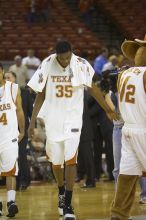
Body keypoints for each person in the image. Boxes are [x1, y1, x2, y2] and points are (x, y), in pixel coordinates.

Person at [27, 40, 117, 220]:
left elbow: (93, 89)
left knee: (70, 160)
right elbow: (40, 94)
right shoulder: (47, 63)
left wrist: (108, 109)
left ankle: (68, 203)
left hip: (73, 120)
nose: (65, 61)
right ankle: (61, 190)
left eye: (67, 57)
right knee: (56, 162)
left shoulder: (81, 64)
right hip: (53, 119)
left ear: (72, 53)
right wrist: (32, 123)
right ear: (56, 55)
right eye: (62, 58)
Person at [110, 36, 146, 220]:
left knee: (127, 174)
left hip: (128, 129)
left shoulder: (124, 74)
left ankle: (118, 214)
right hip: (144, 129)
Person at [0, 64, 25, 217]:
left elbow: (20, 110)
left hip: (9, 137)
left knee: (10, 171)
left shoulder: (13, 88)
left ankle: (11, 202)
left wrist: (22, 131)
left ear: (2, 71)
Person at [4, 71, 33, 191]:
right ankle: (12, 183)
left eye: (9, 77)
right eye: (5, 77)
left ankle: (24, 181)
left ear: (15, 78)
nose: (6, 79)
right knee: (10, 158)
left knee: (21, 156)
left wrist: (32, 127)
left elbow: (30, 111)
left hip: (21, 129)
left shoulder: (24, 92)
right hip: (7, 130)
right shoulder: (3, 92)